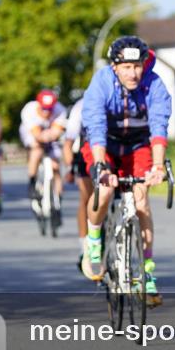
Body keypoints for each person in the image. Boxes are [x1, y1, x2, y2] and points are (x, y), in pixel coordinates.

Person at [81, 36, 170, 306]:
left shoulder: (154, 85)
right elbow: (95, 125)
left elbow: (159, 126)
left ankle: (148, 270)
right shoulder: (102, 82)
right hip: (104, 143)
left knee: (141, 200)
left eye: (138, 66)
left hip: (138, 145)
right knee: (105, 189)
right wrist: (100, 165)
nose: (133, 73)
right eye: (127, 67)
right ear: (114, 66)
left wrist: (157, 166)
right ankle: (94, 241)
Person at [62, 97, 96, 278]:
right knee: (86, 198)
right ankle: (84, 246)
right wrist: (70, 168)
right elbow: (68, 144)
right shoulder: (80, 107)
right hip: (86, 152)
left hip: (113, 149)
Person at [20, 89, 67, 211]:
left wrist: (52, 135)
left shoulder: (60, 110)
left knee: (55, 166)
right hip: (33, 134)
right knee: (36, 150)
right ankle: (32, 181)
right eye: (44, 109)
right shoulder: (29, 110)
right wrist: (45, 136)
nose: (46, 112)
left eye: (49, 109)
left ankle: (58, 199)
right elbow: (36, 134)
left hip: (50, 136)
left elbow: (56, 131)